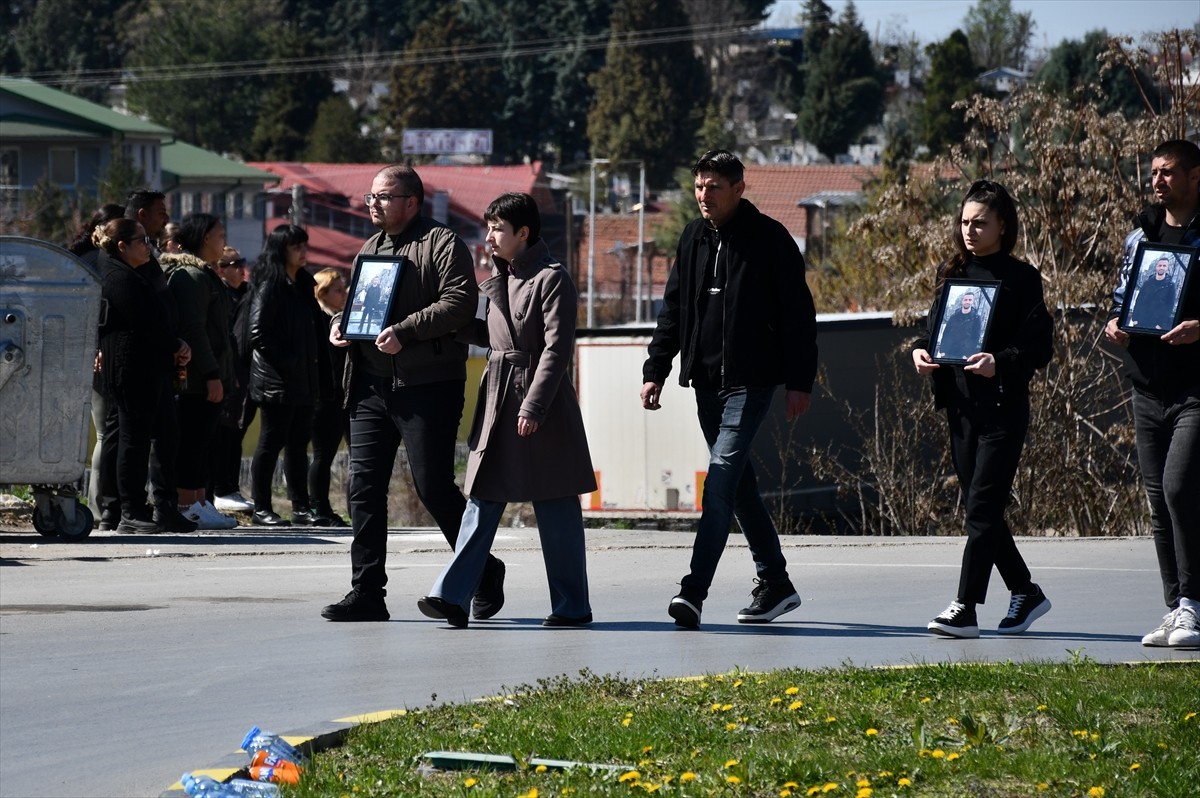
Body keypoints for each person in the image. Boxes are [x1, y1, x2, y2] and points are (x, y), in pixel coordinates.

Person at [640, 149, 818, 630]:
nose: (704, 195)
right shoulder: (693, 238)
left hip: (751, 383)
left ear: (740, 189)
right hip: (705, 382)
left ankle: (692, 593)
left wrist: (800, 382)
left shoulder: (770, 240)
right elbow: (673, 310)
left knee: (718, 482)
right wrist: (655, 369)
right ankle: (776, 582)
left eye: (714, 186)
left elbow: (799, 317)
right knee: (739, 487)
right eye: (699, 186)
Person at [320, 164, 505, 622]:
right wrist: (340, 324)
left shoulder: (442, 244)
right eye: (371, 197)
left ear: (412, 201)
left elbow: (460, 303)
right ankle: (367, 592)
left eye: (384, 196)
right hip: (369, 385)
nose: (373, 204)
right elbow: (362, 306)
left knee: (434, 488)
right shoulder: (370, 248)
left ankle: (482, 569)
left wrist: (406, 330)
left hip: (428, 385)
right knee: (361, 487)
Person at [418, 193, 594, 629]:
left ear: (524, 233)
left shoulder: (552, 279)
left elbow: (556, 350)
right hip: (499, 398)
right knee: (482, 498)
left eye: (497, 228)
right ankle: (453, 596)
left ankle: (573, 606)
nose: (489, 236)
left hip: (540, 404)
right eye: (489, 226)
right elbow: (498, 336)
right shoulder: (504, 276)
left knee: (556, 506)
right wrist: (452, 324)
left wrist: (535, 404)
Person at [913, 179, 1054, 639]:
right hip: (959, 408)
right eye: (964, 222)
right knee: (982, 510)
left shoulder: (1022, 279)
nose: (969, 230)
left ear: (1002, 226)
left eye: (980, 223)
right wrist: (920, 350)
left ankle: (965, 607)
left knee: (981, 508)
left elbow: (1039, 348)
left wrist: (1001, 362)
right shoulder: (949, 270)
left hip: (1002, 410)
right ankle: (1025, 591)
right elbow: (934, 329)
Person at [1103, 139, 1200, 648]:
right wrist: (1117, 323)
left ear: (1195, 177)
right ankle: (1175, 607)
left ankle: (1193, 604)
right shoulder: (1139, 237)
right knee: (1158, 501)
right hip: (1147, 386)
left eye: (1169, 172)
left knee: (1180, 488)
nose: (1158, 181)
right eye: (1154, 172)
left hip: (1195, 389)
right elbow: (1123, 298)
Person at [93, 219, 191, 533]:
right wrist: (175, 343)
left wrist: (175, 344)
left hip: (153, 368)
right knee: (133, 440)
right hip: (130, 369)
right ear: (122, 246)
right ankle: (130, 510)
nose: (147, 246)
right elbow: (144, 323)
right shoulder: (117, 277)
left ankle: (165, 507)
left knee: (169, 434)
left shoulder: (136, 274)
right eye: (140, 240)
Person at [162, 212, 238, 530]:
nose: (224, 242)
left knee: (205, 441)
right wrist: (210, 374)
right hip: (194, 379)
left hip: (211, 373)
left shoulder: (205, 275)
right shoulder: (189, 277)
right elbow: (194, 330)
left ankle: (200, 501)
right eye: (220, 235)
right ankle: (187, 504)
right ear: (205, 238)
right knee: (193, 441)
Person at [246, 224, 323, 526]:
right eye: (296, 247)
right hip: (276, 380)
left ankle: (300, 507)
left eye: (305, 245)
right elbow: (257, 333)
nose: (303, 252)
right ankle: (261, 507)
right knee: (270, 443)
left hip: (302, 379)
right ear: (281, 250)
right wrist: (289, 361)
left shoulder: (303, 284)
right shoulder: (271, 285)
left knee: (298, 446)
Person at [73, 203, 131, 531]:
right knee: (108, 433)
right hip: (99, 356)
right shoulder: (99, 263)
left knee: (107, 433)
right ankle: (100, 507)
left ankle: (105, 504)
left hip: (92, 355)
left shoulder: (84, 260)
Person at [210, 246, 256, 514]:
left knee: (236, 432)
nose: (241, 268)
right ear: (221, 269)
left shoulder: (248, 293)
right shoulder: (220, 295)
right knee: (222, 432)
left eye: (243, 262)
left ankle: (230, 487)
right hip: (226, 370)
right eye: (234, 264)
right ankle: (220, 488)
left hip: (245, 371)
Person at [309, 268, 352, 527]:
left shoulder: (340, 318)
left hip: (342, 394)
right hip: (325, 397)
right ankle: (319, 508)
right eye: (338, 289)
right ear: (322, 293)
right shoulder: (320, 321)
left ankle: (352, 508)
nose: (344, 294)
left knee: (353, 455)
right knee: (323, 455)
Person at [1127, 256, 1178, 331]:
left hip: (1156, 325)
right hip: (1140, 322)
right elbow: (1139, 301)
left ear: (1167, 268)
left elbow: (1169, 307)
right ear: (1156, 267)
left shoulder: (1170, 286)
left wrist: (1161, 324)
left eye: (1164, 266)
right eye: (1160, 265)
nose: (1162, 268)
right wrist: (1135, 319)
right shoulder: (1147, 283)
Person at [935, 289, 983, 360]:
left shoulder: (976, 318)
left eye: (970, 300)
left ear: (972, 301)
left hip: (963, 355)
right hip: (948, 353)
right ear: (962, 301)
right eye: (965, 299)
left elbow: (975, 338)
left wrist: (968, 354)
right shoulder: (953, 317)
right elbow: (946, 334)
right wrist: (943, 350)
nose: (967, 302)